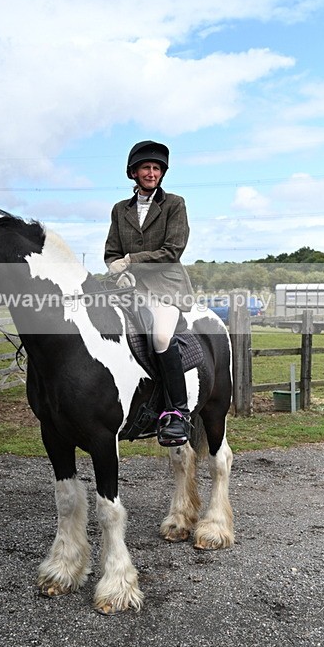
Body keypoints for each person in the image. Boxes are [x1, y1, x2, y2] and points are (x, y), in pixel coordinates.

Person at [104, 140, 194, 447]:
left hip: (165, 287)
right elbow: (112, 252)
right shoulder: (120, 210)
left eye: (156, 168)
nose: (151, 173)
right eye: (146, 168)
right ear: (134, 172)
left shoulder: (174, 204)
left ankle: (178, 413)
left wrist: (131, 262)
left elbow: (172, 250)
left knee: (159, 337)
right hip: (127, 288)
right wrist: (116, 270)